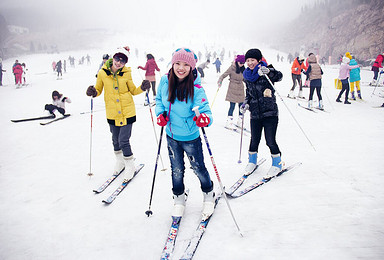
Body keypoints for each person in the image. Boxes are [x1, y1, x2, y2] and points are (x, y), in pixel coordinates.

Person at [155, 48, 215, 219]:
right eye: (178, 63)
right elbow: (159, 100)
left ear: (192, 67)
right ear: (172, 64)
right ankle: (179, 199)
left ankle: (209, 194)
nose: (181, 68)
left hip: (190, 138)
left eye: (186, 65)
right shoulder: (164, 81)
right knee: (176, 169)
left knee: (198, 168)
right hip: (171, 136)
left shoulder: (196, 89)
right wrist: (160, 114)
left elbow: (207, 113)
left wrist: (204, 119)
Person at [86, 46, 150, 182]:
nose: (119, 62)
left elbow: (133, 90)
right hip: (112, 112)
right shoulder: (102, 72)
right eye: (117, 58)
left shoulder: (126, 73)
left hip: (127, 111)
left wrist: (142, 88)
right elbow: (98, 89)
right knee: (115, 140)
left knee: (123, 140)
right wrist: (93, 92)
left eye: (123, 60)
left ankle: (130, 165)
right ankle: (120, 161)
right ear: (112, 57)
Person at [240, 48, 283, 177]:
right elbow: (249, 93)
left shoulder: (266, 70)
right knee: (254, 140)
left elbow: (279, 76)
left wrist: (269, 72)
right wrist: (246, 103)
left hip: (270, 113)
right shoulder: (247, 76)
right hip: (255, 114)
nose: (250, 62)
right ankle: (252, 162)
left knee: (270, 141)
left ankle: (277, 163)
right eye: (247, 60)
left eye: (252, 60)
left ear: (258, 60)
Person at [217, 54, 246, 129]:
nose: (242, 65)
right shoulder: (232, 68)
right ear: (237, 62)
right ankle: (229, 121)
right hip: (232, 88)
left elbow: (245, 79)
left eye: (243, 63)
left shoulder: (243, 69)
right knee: (232, 105)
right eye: (241, 63)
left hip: (240, 88)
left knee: (241, 106)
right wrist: (220, 82)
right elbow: (223, 75)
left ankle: (240, 121)